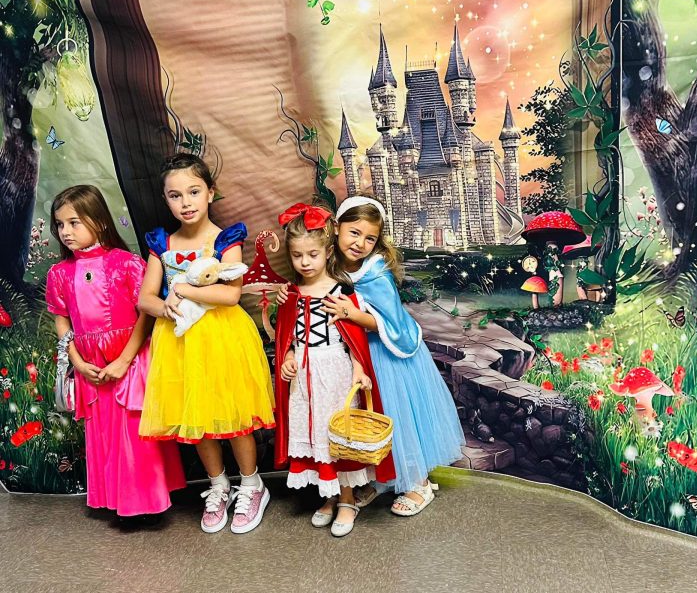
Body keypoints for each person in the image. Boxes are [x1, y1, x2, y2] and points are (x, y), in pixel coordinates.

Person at [277, 194, 464, 515]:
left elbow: (388, 322)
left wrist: (352, 314)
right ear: (337, 228)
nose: (360, 243)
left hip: (387, 356)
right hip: (352, 356)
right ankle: (380, 480)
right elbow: (308, 292)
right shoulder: (326, 260)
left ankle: (418, 483)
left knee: (395, 418)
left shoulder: (375, 272)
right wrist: (287, 292)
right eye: (354, 232)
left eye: (370, 238)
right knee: (365, 421)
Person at [138, 153, 275, 534]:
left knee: (235, 417)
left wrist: (182, 289)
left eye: (194, 192)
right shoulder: (161, 243)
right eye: (175, 195)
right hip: (179, 341)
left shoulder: (225, 239)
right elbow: (145, 298)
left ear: (210, 193)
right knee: (197, 417)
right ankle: (218, 485)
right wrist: (165, 306)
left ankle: (252, 484)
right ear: (165, 199)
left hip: (222, 337)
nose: (186, 202)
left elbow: (230, 294)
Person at [45, 185, 185, 521]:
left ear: (100, 221)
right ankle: (116, 499)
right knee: (105, 434)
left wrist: (124, 360)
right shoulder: (59, 273)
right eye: (60, 224)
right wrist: (78, 362)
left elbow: (146, 314)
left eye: (74, 222)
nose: (65, 231)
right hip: (91, 367)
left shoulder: (126, 263)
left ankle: (146, 503)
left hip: (130, 360)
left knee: (134, 433)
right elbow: (61, 320)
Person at [273, 202, 395, 537]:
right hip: (304, 377)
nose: (305, 262)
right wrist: (287, 358)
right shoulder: (292, 294)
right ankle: (327, 497)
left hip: (335, 372)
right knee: (315, 435)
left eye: (312, 255)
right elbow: (286, 338)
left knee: (337, 436)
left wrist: (359, 369)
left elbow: (352, 339)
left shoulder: (341, 292)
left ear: (327, 253)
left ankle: (347, 500)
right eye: (297, 256)